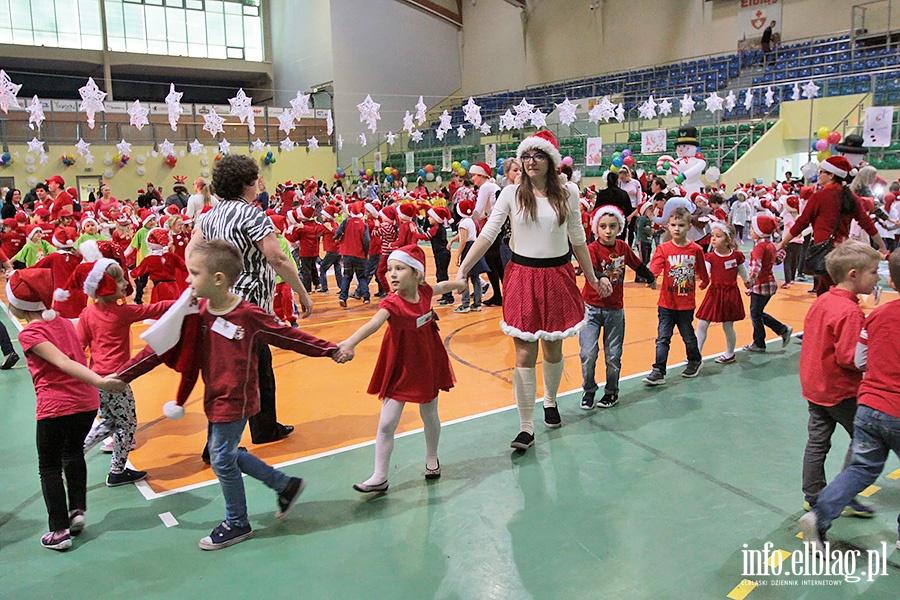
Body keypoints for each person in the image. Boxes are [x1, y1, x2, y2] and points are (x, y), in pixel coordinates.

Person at [114, 239, 344, 550]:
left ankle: (237, 522)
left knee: (221, 458)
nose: (187, 279)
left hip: (237, 397)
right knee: (225, 453)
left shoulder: (248, 315)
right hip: (214, 394)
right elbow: (159, 347)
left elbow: (289, 337)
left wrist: (330, 350)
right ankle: (284, 484)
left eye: (194, 273)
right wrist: (121, 376)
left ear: (218, 278)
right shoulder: (197, 311)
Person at [457, 130, 605, 449]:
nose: (530, 161)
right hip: (522, 275)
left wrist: (592, 278)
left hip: (557, 275)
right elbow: (487, 234)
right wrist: (463, 269)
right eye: (525, 156)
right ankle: (526, 426)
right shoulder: (510, 193)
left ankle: (550, 400)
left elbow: (578, 238)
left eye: (537, 155)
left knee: (553, 348)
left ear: (551, 160)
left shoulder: (568, 193)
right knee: (524, 352)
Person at [187, 154, 313, 446]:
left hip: (220, 304)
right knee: (248, 371)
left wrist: (197, 280)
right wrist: (301, 291)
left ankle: (263, 427)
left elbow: (192, 251)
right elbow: (277, 257)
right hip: (249, 306)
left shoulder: (208, 217)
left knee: (246, 367)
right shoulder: (253, 215)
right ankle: (225, 440)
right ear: (247, 184)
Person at [6, 268, 122, 551]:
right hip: (85, 403)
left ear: (18, 304)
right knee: (73, 453)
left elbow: (62, 362)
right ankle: (77, 510)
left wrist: (101, 380)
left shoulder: (30, 334)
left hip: (57, 406)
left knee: (48, 466)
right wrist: (96, 384)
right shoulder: (63, 322)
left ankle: (59, 531)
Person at [336, 245, 464, 493]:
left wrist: (459, 285)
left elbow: (442, 287)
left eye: (399, 269)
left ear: (416, 273)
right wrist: (350, 342)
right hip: (400, 366)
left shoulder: (424, 292)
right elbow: (373, 324)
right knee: (387, 423)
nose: (391, 274)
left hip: (427, 361)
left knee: (430, 414)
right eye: (390, 270)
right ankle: (379, 476)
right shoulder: (391, 303)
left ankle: (432, 458)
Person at [799, 248, 900, 555]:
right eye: (872, 272)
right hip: (844, 391)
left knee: (829, 447)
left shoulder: (831, 303)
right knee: (857, 446)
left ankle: (817, 505)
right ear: (854, 275)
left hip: (821, 388)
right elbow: (852, 358)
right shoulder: (852, 312)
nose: (876, 278)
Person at [77, 253, 174, 486]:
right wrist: (184, 302)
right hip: (117, 380)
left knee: (109, 421)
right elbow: (155, 309)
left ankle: (73, 452)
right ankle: (117, 470)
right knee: (128, 424)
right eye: (119, 280)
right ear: (107, 286)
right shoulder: (123, 312)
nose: (124, 284)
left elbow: (79, 346)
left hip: (95, 379)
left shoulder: (88, 313)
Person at [776, 156, 888, 295]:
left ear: (831, 175)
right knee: (832, 288)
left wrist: (782, 243)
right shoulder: (850, 197)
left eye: (822, 171)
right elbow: (867, 223)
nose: (818, 174)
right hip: (842, 250)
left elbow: (802, 222)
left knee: (831, 291)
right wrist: (882, 246)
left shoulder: (819, 197)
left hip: (824, 251)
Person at [579, 206, 655, 410]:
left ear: (619, 227)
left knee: (613, 355)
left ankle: (611, 392)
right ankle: (588, 390)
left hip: (615, 310)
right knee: (588, 353)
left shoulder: (622, 247)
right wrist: (601, 277)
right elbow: (589, 269)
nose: (608, 231)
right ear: (596, 229)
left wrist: (650, 276)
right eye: (603, 226)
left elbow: (637, 264)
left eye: (613, 226)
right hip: (591, 309)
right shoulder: (592, 249)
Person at [643, 206, 709, 385]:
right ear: (668, 226)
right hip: (666, 303)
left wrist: (705, 280)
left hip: (685, 304)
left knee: (687, 335)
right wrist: (652, 277)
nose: (677, 228)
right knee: (663, 337)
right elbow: (655, 266)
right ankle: (658, 370)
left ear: (689, 226)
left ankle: (694, 360)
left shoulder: (695, 250)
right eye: (673, 225)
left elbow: (701, 269)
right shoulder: (664, 249)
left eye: (681, 225)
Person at [694, 222, 749, 364]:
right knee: (702, 323)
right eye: (712, 235)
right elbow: (705, 273)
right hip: (714, 293)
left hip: (730, 294)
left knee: (728, 325)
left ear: (728, 239)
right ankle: (696, 354)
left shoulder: (736, 256)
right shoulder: (710, 257)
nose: (713, 239)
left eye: (718, 236)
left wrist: (749, 284)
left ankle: (730, 353)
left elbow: (744, 274)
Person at [742, 215, 793, 352]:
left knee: (755, 315)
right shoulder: (770, 245)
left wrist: (750, 282)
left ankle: (760, 342)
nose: (751, 231)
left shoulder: (759, 247)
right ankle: (781, 330)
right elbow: (777, 259)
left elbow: (755, 267)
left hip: (761, 285)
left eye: (753, 228)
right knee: (757, 313)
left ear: (759, 231)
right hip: (769, 284)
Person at [453, 199, 489, 313]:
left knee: (464, 277)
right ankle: (477, 304)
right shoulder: (471, 221)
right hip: (475, 247)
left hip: (468, 249)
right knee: (475, 278)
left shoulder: (463, 223)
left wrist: (458, 255)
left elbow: (463, 241)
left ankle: (465, 304)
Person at [594, 171, 631, 240]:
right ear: (617, 180)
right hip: (619, 223)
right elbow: (629, 210)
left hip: (605, 224)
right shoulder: (623, 193)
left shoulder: (602, 194)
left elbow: (596, 209)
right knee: (619, 245)